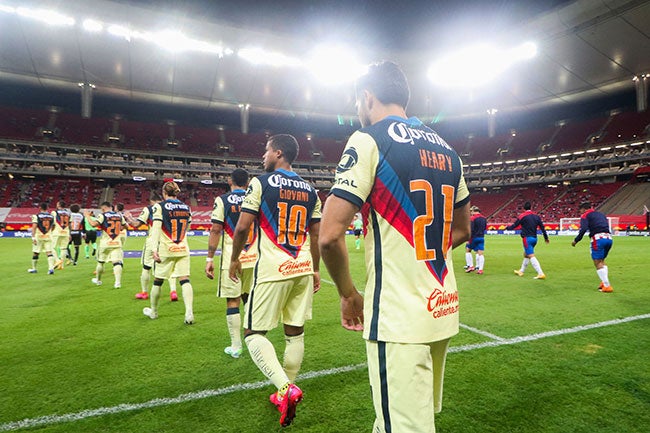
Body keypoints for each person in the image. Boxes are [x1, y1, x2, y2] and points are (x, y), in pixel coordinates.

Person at [318, 61, 471, 433]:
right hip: (441, 307)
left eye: (357, 102)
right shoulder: (448, 150)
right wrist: (420, 250)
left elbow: (329, 235)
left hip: (398, 317)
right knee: (401, 420)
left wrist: (348, 293)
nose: (357, 111)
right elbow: (463, 229)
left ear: (367, 97)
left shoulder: (368, 139)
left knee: (403, 427)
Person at [229, 134, 321, 427]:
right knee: (295, 333)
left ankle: (285, 388)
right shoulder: (311, 190)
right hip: (303, 265)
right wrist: (316, 269)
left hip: (273, 268)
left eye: (266, 151)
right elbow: (316, 235)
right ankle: (285, 392)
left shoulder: (260, 183)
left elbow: (243, 227)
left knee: (254, 333)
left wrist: (233, 258)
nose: (263, 156)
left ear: (278, 153)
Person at [205, 168, 258, 359]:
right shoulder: (256, 197)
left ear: (230, 181)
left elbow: (216, 229)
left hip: (232, 258)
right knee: (250, 298)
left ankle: (236, 346)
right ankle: (253, 340)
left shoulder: (223, 200)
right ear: (248, 181)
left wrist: (209, 258)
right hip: (255, 256)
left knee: (233, 300)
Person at [142, 181, 194, 324]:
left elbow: (156, 229)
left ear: (164, 193)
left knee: (158, 281)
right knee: (185, 280)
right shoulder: (186, 207)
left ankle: (153, 311)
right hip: (182, 247)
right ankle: (189, 313)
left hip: (166, 249)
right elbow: (188, 227)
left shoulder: (159, 206)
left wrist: (154, 250)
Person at [124, 192, 179, 302]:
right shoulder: (169, 208)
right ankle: (173, 291)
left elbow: (136, 225)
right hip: (167, 241)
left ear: (151, 201)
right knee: (170, 268)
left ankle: (144, 292)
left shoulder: (149, 209)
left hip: (152, 241)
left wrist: (128, 218)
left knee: (146, 267)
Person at [571, 201, 614, 292]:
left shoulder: (585, 215)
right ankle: (603, 282)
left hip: (598, 239)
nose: (580, 212)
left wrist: (576, 240)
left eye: (581, 210)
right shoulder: (601, 214)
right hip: (609, 238)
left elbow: (583, 229)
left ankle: (607, 286)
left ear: (584, 209)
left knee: (597, 262)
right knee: (602, 261)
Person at [85, 202, 126, 288]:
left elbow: (93, 224)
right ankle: (117, 283)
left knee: (100, 262)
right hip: (116, 242)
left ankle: (98, 280)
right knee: (117, 263)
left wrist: (87, 216)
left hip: (105, 243)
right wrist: (118, 228)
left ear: (103, 208)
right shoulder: (119, 215)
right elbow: (126, 226)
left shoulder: (102, 215)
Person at [507, 201, 549, 279]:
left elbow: (515, 225)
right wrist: (546, 238)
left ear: (524, 208)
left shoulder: (522, 216)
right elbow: (542, 227)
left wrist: (507, 228)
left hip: (527, 238)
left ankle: (540, 273)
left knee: (531, 255)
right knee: (526, 254)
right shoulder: (536, 216)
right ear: (531, 208)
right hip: (534, 238)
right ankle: (521, 271)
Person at [28, 202, 56, 275]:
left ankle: (34, 268)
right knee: (49, 252)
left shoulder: (36, 216)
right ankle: (51, 269)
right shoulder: (52, 216)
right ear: (47, 208)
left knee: (36, 252)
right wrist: (49, 232)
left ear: (40, 208)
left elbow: (34, 227)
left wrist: (33, 237)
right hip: (48, 236)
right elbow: (53, 226)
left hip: (39, 236)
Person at [464, 206, 487, 274]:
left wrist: (468, 238)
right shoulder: (484, 218)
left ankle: (470, 266)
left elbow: (471, 229)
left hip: (473, 237)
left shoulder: (472, 218)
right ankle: (480, 269)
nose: (471, 213)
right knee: (480, 253)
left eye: (471, 211)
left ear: (473, 211)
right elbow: (485, 227)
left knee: (468, 250)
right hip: (481, 237)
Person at [51, 200, 71, 269]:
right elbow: (70, 224)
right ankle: (61, 266)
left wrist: (51, 231)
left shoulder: (54, 212)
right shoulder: (68, 213)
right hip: (66, 232)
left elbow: (53, 223)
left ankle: (57, 260)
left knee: (51, 248)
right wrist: (70, 234)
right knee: (63, 249)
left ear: (58, 205)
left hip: (57, 231)